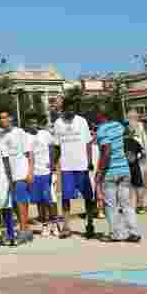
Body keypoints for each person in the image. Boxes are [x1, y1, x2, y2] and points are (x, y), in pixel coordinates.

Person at [52, 101, 97, 239]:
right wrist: (54, 162)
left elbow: (88, 143)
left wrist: (89, 161)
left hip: (82, 166)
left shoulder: (81, 121)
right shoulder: (58, 123)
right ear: (63, 109)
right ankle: (66, 226)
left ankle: (90, 224)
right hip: (66, 167)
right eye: (67, 109)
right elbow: (57, 146)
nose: (70, 111)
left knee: (88, 197)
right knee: (66, 197)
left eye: (72, 108)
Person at [93, 113, 140, 243]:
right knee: (126, 204)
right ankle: (134, 232)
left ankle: (116, 234)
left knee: (111, 205)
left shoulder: (102, 129)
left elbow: (106, 151)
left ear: (101, 117)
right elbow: (127, 131)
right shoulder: (118, 126)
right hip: (124, 170)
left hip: (110, 172)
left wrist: (100, 171)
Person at [0, 111, 34, 244]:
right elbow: (3, 157)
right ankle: (26, 230)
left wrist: (30, 172)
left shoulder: (19, 132)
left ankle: (23, 230)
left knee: (21, 201)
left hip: (21, 171)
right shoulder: (0, 135)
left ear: (11, 118)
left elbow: (29, 154)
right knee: (15, 204)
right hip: (9, 174)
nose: (3, 120)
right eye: (0, 118)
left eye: (5, 117)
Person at [25, 116, 57, 236]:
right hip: (35, 173)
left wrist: (53, 163)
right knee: (40, 202)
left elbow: (53, 149)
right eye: (31, 123)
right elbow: (26, 155)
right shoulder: (26, 137)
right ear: (27, 124)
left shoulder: (45, 134)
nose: (33, 125)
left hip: (46, 171)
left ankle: (54, 224)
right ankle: (44, 225)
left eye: (35, 122)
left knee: (50, 200)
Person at [123, 127, 146, 213]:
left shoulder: (120, 143)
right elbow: (143, 153)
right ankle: (140, 207)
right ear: (130, 133)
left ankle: (125, 207)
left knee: (124, 187)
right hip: (135, 166)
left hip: (124, 167)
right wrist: (140, 161)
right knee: (139, 186)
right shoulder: (135, 142)